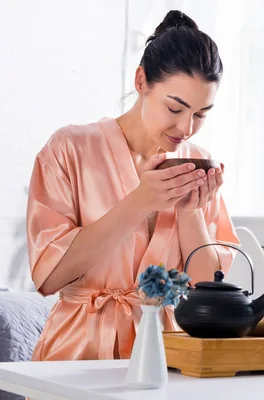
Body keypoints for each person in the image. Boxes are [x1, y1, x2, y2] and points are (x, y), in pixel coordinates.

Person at [26, 10, 240, 361]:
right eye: (175, 108)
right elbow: (49, 277)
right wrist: (141, 201)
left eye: (201, 114)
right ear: (141, 81)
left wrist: (190, 214)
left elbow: (205, 290)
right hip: (77, 355)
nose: (186, 128)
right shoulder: (70, 149)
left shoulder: (197, 163)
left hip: (166, 355)